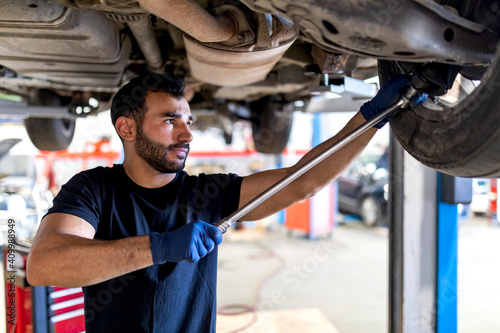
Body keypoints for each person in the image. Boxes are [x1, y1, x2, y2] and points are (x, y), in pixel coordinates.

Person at [27, 71, 415, 332]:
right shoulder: (94, 189)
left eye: (189, 122)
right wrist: (159, 247)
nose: (187, 135)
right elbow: (44, 266)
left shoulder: (207, 194)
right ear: (126, 128)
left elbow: (302, 182)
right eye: (169, 121)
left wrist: (371, 117)